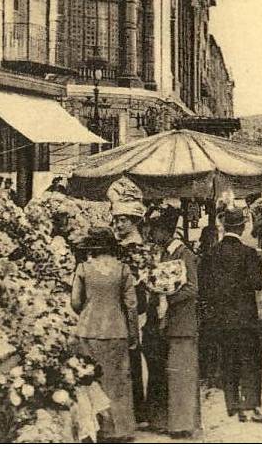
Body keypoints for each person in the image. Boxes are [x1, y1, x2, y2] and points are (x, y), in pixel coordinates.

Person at [200, 208, 262, 423]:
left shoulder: (212, 253)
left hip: (221, 318)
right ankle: (250, 406)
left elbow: (204, 286)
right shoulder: (248, 253)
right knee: (250, 360)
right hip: (244, 317)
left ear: (225, 227)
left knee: (229, 360)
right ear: (242, 226)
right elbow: (257, 283)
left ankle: (233, 406)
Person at [71, 228, 139, 442]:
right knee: (118, 380)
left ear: (92, 248)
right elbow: (131, 305)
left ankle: (97, 428)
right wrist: (133, 332)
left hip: (89, 330)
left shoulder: (83, 268)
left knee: (92, 379)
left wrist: (88, 310)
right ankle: (120, 429)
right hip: (116, 330)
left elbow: (75, 302)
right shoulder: (123, 270)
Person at [142, 209, 201, 438]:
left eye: (155, 230)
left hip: (183, 322)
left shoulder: (183, 253)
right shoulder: (168, 253)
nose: (153, 235)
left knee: (182, 374)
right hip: (171, 323)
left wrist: (167, 297)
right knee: (173, 373)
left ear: (165, 231)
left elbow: (192, 288)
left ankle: (183, 424)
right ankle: (172, 422)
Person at [106, 177, 149, 426]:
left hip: (132, 304)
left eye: (122, 220)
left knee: (131, 357)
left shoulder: (135, 247)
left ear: (133, 221)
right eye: (116, 220)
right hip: (121, 305)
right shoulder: (121, 244)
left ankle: (137, 411)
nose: (118, 224)